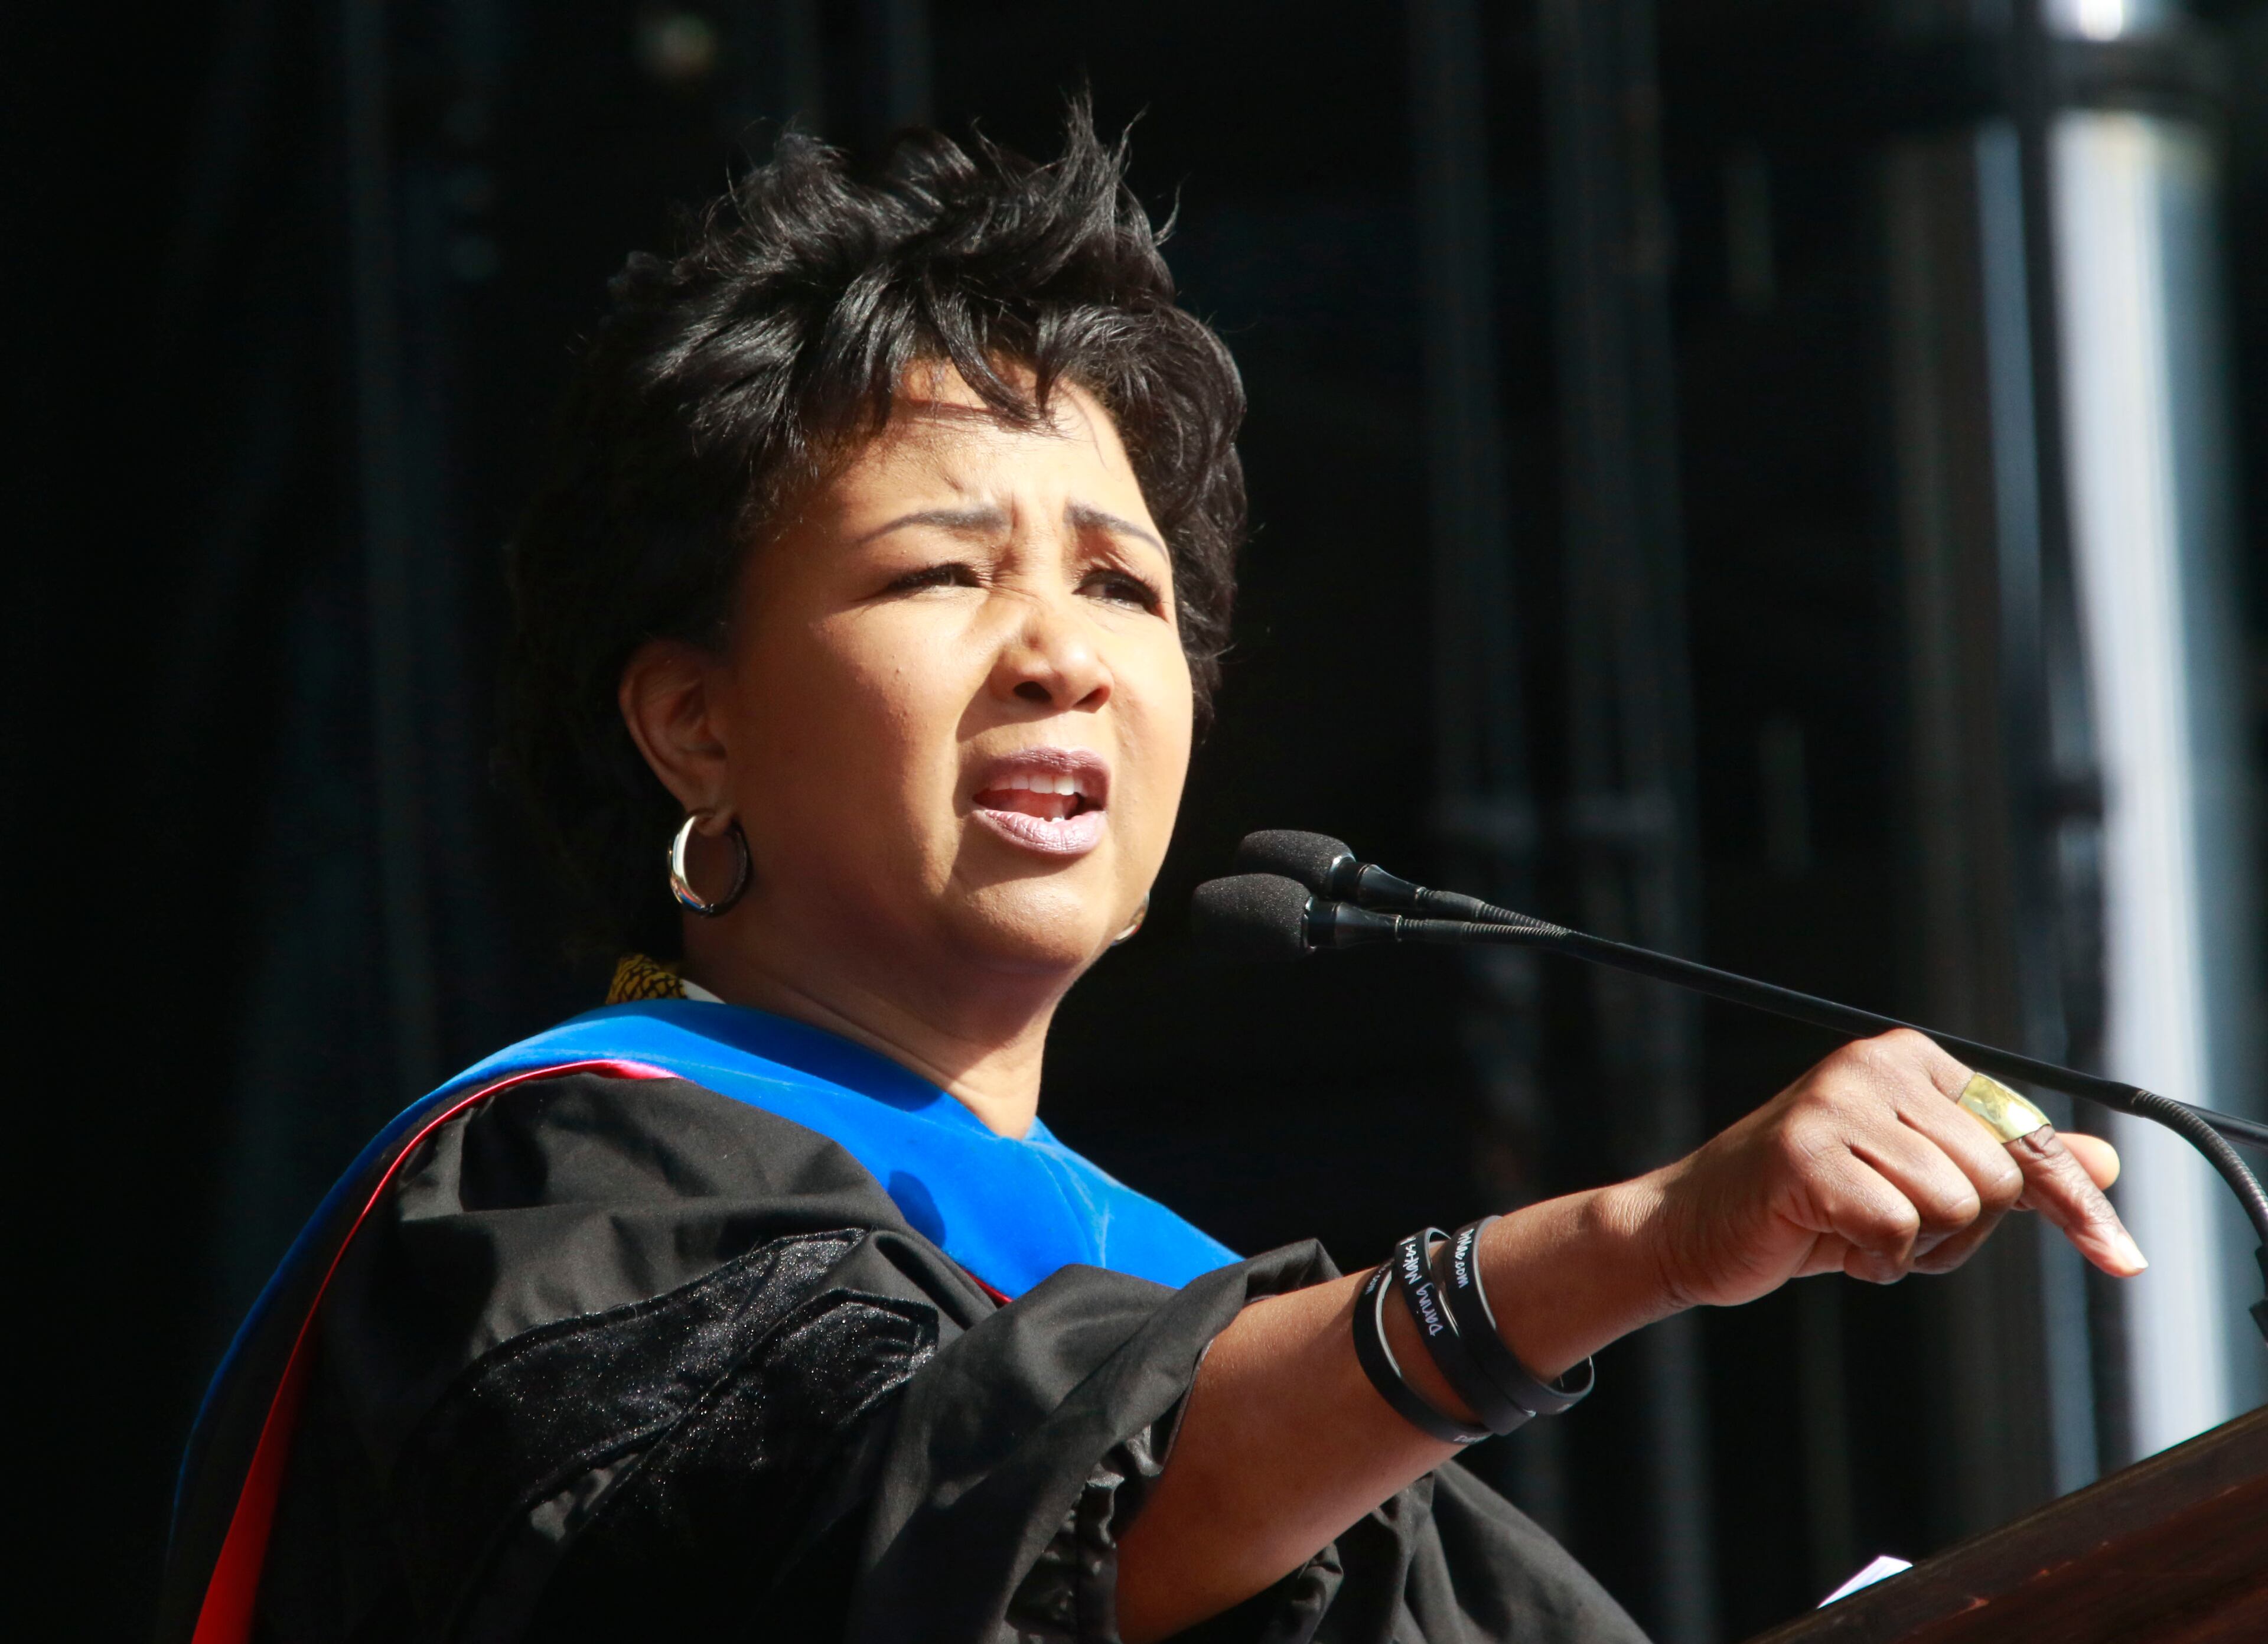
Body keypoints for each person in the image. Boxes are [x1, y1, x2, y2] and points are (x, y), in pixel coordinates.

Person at [160, 106, 2143, 1644]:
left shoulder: (1180, 1306)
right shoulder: (553, 1198)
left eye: (1122, 586)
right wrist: (1644, 1240)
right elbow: (963, 1534)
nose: (1067, 657)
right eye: (946, 572)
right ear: (694, 723)